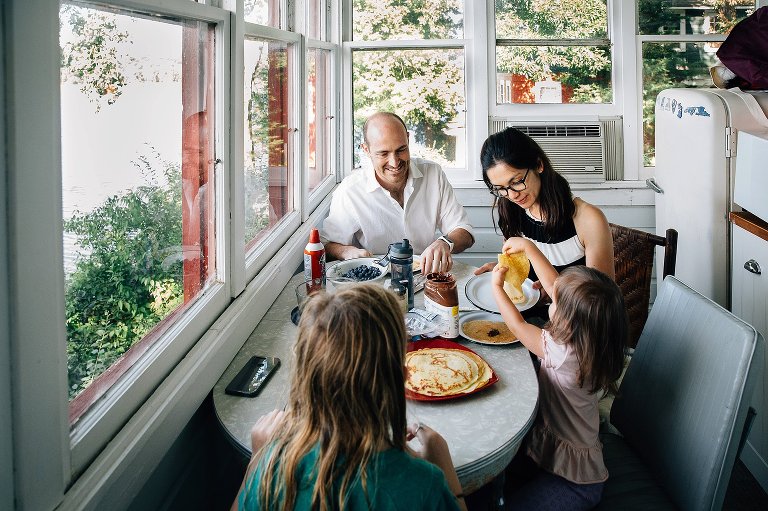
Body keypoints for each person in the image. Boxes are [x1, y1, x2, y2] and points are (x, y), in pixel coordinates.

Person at [231, 284, 467, 511]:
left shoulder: (272, 471)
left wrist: (259, 460)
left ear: (304, 377)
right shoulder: (424, 486)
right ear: (401, 377)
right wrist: (445, 470)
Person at [492, 238, 627, 511]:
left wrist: (497, 288)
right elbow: (556, 287)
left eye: (557, 303)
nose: (551, 298)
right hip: (557, 457)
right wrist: (529, 248)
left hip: (576, 484)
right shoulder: (595, 343)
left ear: (569, 322)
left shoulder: (562, 353)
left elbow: (518, 326)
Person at [475, 127, 614, 317]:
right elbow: (529, 271)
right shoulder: (512, 208)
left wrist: (551, 292)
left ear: (539, 165)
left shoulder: (588, 219)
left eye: (516, 181)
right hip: (530, 317)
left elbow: (600, 303)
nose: (512, 195)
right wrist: (509, 274)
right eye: (501, 188)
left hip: (573, 329)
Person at [320, 112, 474, 275]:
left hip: (425, 275)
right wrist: (345, 252)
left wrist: (445, 242)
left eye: (401, 150)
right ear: (366, 150)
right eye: (383, 153)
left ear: (407, 139)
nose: (394, 162)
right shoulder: (350, 191)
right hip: (374, 283)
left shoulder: (433, 174)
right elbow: (327, 246)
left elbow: (465, 232)